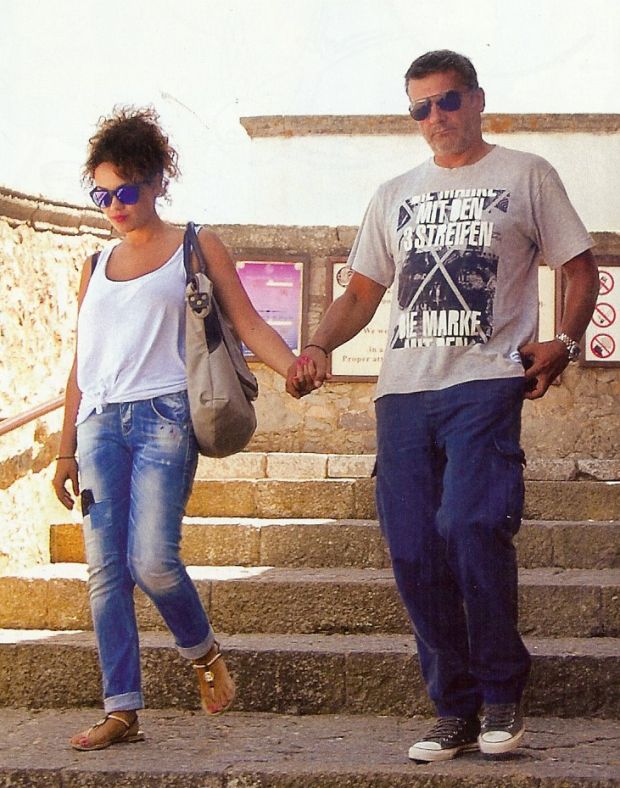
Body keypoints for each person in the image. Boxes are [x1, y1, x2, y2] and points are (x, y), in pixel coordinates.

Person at [289, 50, 599, 762]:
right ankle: (453, 707)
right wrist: (319, 345)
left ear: (477, 99)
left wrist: (564, 341)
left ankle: (501, 693)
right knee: (412, 549)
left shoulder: (527, 174)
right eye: (421, 108)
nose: (436, 117)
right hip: (402, 394)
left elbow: (579, 267)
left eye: (449, 100)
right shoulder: (393, 193)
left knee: (471, 524)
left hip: (484, 383)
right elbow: (361, 292)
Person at [52, 106, 303, 751]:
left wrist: (293, 367)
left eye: (126, 191)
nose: (114, 206)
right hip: (99, 424)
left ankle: (202, 651)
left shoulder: (195, 244)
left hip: (165, 415)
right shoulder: (94, 265)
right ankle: (121, 709)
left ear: (158, 181)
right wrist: (64, 448)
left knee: (153, 561)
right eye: (102, 194)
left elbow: (246, 321)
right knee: (105, 572)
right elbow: (82, 361)